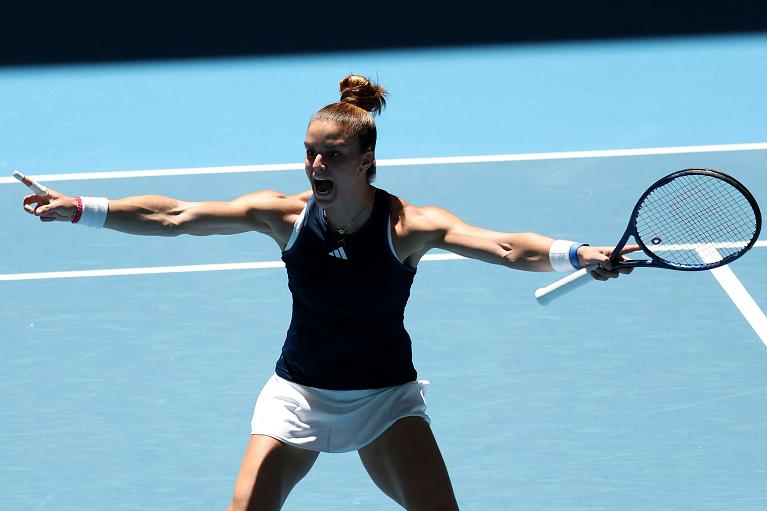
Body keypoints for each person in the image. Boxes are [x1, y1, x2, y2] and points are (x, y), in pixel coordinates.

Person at [21, 75, 635, 511]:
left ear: (366, 161)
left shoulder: (407, 226)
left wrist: (576, 253)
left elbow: (504, 246)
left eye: (333, 155)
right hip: (298, 396)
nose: (317, 166)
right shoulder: (284, 216)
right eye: (311, 153)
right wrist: (80, 208)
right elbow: (175, 215)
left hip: (386, 400)